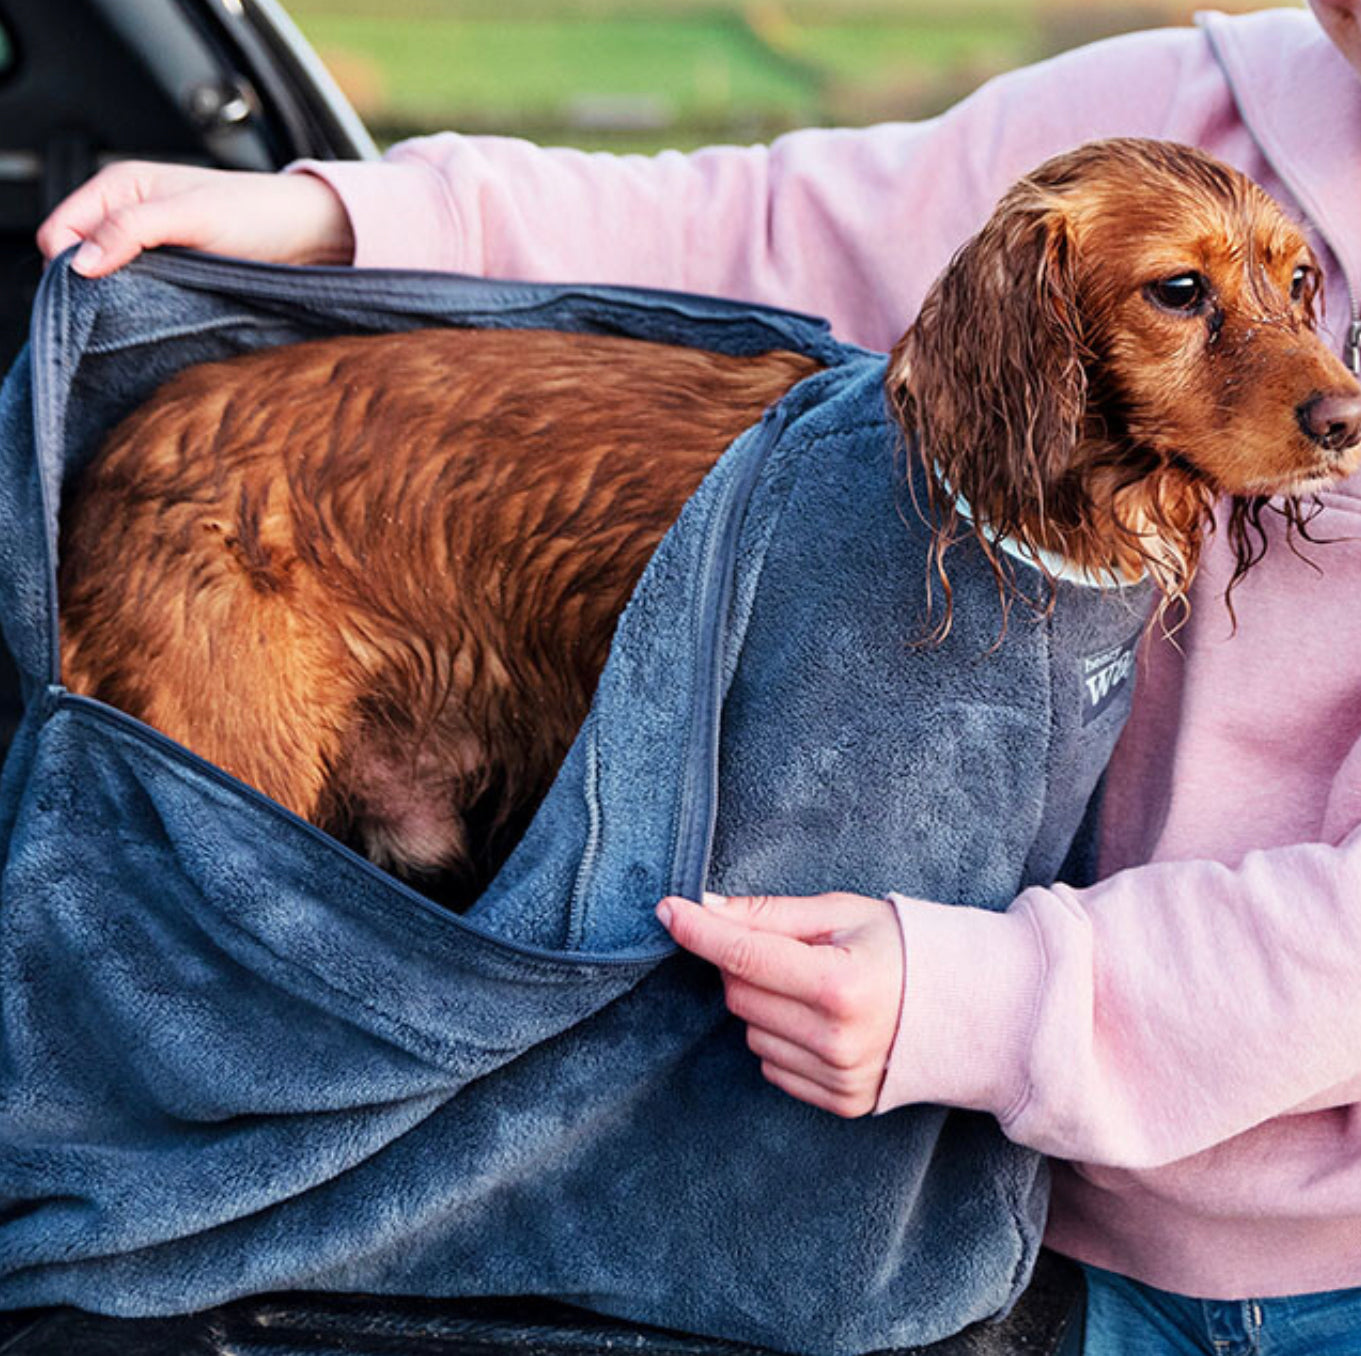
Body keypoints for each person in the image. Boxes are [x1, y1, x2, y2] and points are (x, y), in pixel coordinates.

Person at [36, 4, 1361, 1351]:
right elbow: (770, 221)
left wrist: (995, 1007)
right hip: (982, 1200)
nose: (1320, 382)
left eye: (1291, 291)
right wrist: (343, 217)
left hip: (1275, 1253)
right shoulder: (1196, 101)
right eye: (1187, 296)